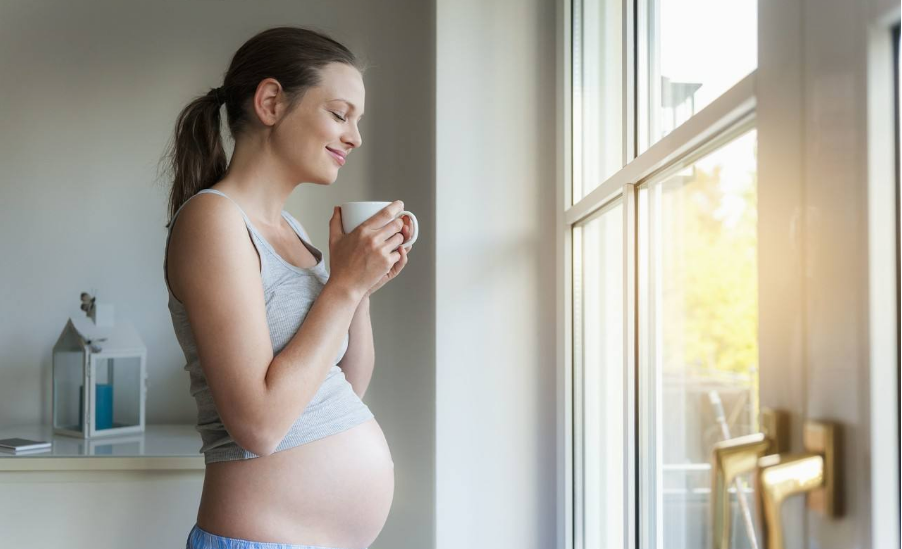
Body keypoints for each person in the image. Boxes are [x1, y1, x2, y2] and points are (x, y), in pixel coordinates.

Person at [159, 26, 411, 549]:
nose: (355, 137)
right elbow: (260, 425)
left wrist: (359, 287)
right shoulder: (213, 221)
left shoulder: (291, 231)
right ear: (271, 102)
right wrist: (341, 286)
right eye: (341, 114)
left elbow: (339, 392)